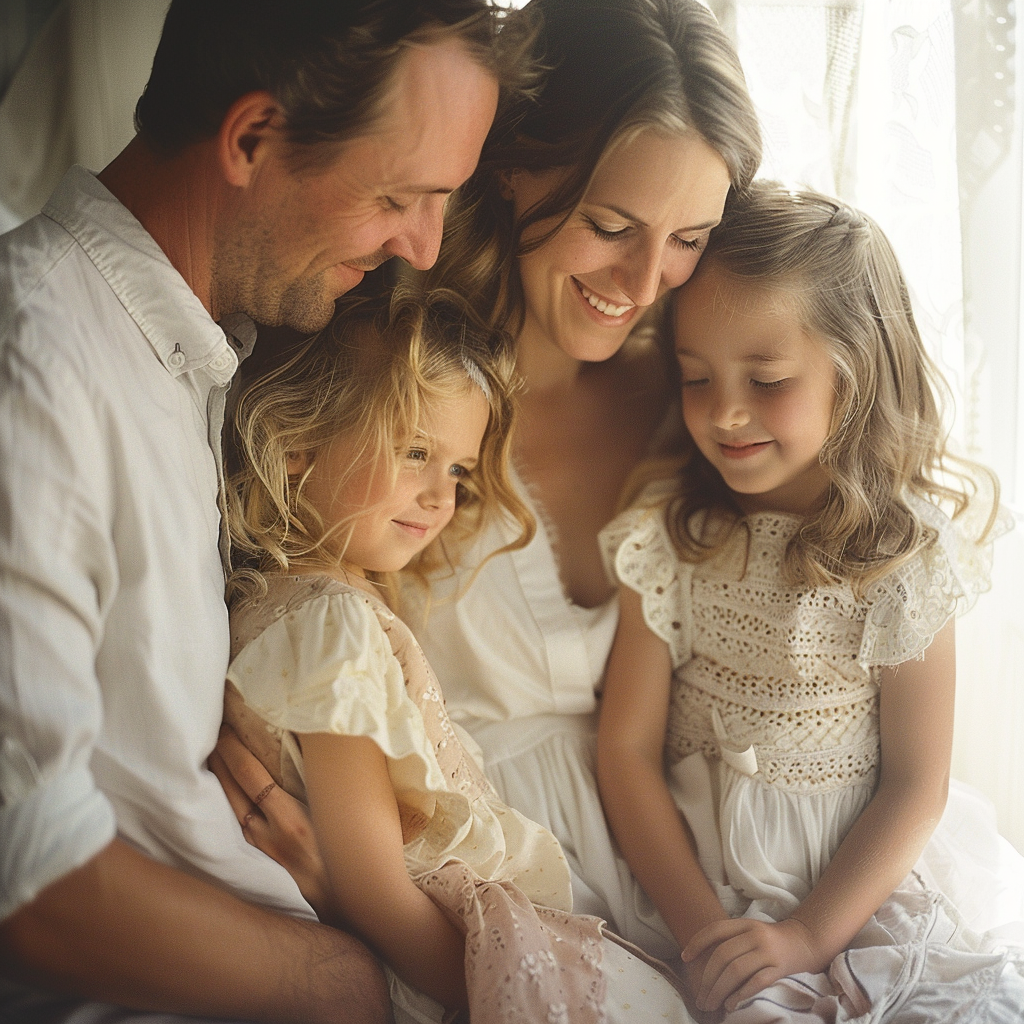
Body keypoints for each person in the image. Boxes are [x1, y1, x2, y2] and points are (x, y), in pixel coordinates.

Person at [0, 2, 533, 1021]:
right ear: (250, 137)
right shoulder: (39, 360)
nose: (422, 249)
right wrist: (343, 978)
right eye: (399, 196)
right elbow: (32, 874)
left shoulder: (229, 358)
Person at [596, 180, 1024, 1021]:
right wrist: (705, 936)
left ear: (855, 373)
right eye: (695, 376)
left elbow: (915, 785)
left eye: (766, 379)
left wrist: (807, 935)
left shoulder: (901, 558)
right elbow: (625, 753)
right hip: (692, 887)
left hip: (853, 895)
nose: (724, 411)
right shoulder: (669, 537)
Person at [400, 0, 763, 963]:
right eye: (612, 225)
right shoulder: (393, 387)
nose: (646, 283)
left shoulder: (700, 405)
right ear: (515, 161)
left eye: (689, 238)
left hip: (689, 882)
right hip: (458, 891)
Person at [221, 288, 695, 1024]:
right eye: (416, 453)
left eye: (459, 473)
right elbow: (372, 886)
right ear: (296, 449)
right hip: (449, 961)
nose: (441, 498)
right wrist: (509, 989)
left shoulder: (309, 608)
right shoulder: (332, 626)